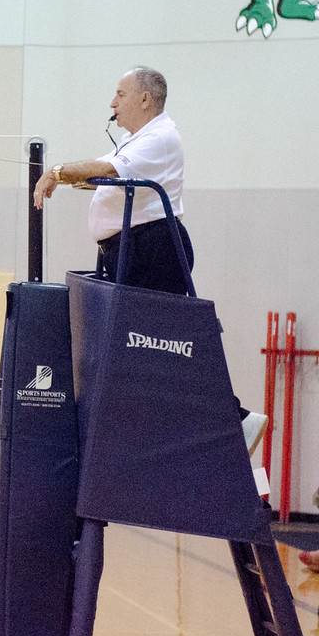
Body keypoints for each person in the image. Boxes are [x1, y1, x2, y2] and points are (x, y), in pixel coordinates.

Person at [31, 67, 266, 448]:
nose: (112, 102)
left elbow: (105, 169)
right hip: (130, 250)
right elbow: (100, 168)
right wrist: (70, 177)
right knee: (151, 350)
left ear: (144, 98)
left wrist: (56, 172)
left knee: (171, 343)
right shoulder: (135, 141)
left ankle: (236, 419)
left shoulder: (161, 138)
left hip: (153, 248)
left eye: (120, 94)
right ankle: (224, 420)